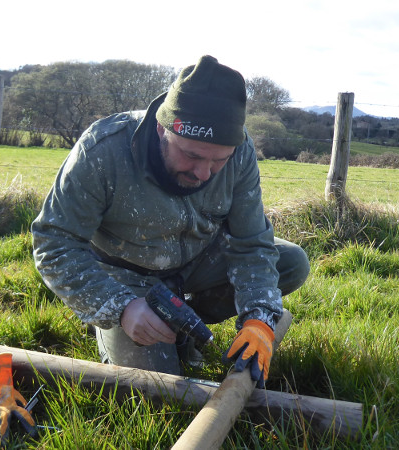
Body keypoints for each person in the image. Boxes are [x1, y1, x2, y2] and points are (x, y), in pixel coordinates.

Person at [31, 55, 309, 388]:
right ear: (163, 129)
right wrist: (121, 306)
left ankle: (182, 322)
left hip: (195, 261)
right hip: (125, 275)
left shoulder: (240, 151)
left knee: (290, 262)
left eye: (218, 160)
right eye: (191, 155)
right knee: (157, 388)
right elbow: (54, 244)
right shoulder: (102, 150)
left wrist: (260, 319)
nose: (203, 173)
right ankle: (116, 321)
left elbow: (253, 244)